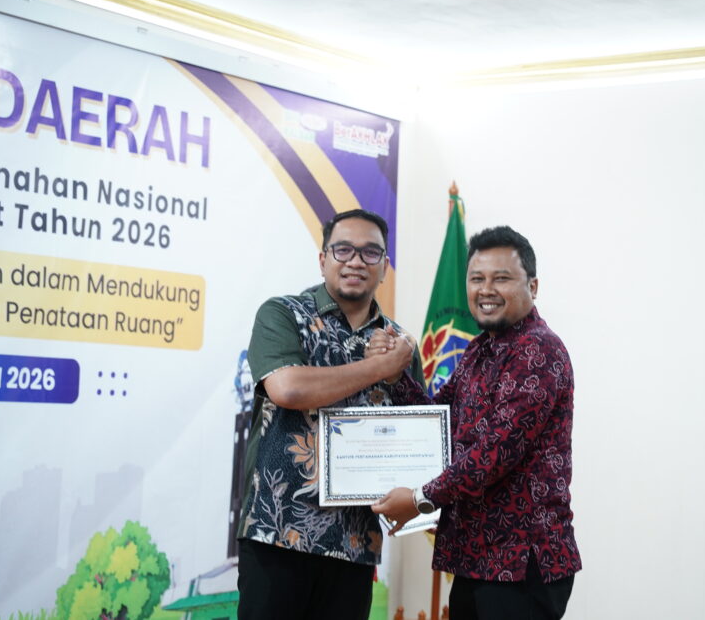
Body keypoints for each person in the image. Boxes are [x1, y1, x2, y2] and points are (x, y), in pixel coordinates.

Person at [372, 225, 582, 620]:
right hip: (477, 557)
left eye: (501, 278)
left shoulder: (538, 351)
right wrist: (395, 372)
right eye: (476, 279)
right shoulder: (479, 350)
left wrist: (418, 499)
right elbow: (438, 422)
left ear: (533, 286)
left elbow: (493, 454)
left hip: (521, 561)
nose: (486, 290)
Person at [238, 208, 424, 620]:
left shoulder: (400, 347)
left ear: (384, 267)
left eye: (371, 252)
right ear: (323, 259)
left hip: (355, 544)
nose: (356, 261)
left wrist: (417, 502)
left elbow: (418, 433)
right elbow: (288, 388)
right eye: (343, 250)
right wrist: (377, 369)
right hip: (278, 534)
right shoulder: (283, 314)